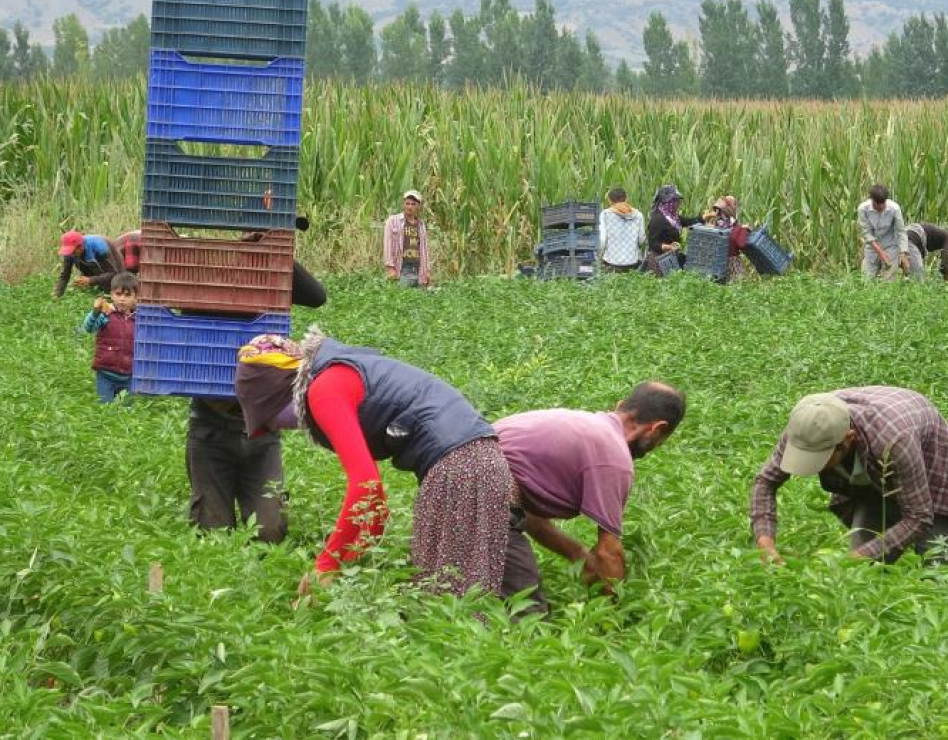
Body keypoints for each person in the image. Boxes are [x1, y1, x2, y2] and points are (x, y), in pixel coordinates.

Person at [234, 330, 512, 598]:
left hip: (460, 466)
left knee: (446, 596)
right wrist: (354, 560)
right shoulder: (337, 372)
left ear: (280, 396)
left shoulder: (325, 389)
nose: (281, 428)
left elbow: (365, 487)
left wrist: (326, 567)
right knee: (452, 584)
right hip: (479, 458)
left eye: (269, 420)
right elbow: (375, 505)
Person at [495, 382, 686, 611]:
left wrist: (580, 555)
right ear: (656, 429)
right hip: (480, 488)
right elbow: (608, 552)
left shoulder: (584, 425)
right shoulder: (614, 458)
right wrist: (613, 615)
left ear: (621, 406)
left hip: (453, 471)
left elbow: (524, 514)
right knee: (528, 614)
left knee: (460, 590)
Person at [185, 259, 326, 545]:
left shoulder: (270, 276)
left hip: (262, 435)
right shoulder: (204, 275)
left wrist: (275, 250)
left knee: (270, 531)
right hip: (210, 427)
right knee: (213, 533)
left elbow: (316, 296)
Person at [751, 388, 948, 564]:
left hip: (937, 468)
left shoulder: (893, 440)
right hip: (875, 473)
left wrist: (855, 560)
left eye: (821, 457)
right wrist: (765, 542)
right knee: (864, 565)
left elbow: (918, 517)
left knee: (939, 562)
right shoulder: (807, 428)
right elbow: (765, 482)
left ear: (847, 440)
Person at [81, 271, 138, 403]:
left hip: (129, 374)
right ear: (111, 294)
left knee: (127, 411)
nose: (122, 299)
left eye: (127, 295)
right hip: (106, 372)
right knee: (104, 408)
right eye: (118, 294)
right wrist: (95, 313)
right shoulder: (106, 313)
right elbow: (89, 327)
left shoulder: (138, 319)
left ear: (136, 298)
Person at [644, 184, 702, 276]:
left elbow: (687, 221)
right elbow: (652, 243)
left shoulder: (672, 217)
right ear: (665, 201)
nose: (677, 203)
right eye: (674, 201)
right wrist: (669, 247)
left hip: (671, 257)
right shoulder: (657, 219)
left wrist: (703, 218)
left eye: (677, 200)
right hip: (659, 261)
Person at [857, 185, 910, 281]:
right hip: (872, 247)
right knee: (866, 280)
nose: (881, 206)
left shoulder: (894, 209)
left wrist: (903, 253)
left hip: (890, 246)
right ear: (872, 200)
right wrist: (880, 252)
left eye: (883, 203)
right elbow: (867, 233)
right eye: (877, 204)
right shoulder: (863, 209)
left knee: (889, 282)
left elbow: (901, 232)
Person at [53, 230, 124, 298]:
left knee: (118, 288)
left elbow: (112, 273)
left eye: (73, 252)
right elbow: (65, 275)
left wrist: (91, 280)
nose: (72, 255)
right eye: (69, 252)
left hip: (112, 266)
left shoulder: (99, 247)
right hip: (92, 266)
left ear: (80, 247)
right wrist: (57, 294)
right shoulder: (70, 253)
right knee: (92, 292)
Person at [383, 190, 431, 287]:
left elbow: (424, 250)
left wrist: (426, 271)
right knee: (402, 298)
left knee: (418, 300)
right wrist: (390, 267)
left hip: (418, 269)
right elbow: (388, 244)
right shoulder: (393, 221)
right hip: (402, 268)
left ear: (418, 206)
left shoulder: (421, 225)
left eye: (413, 204)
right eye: (407, 203)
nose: (410, 207)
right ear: (403, 204)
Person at [703, 195, 752, 282]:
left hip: (718, 259)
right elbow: (738, 242)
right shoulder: (728, 223)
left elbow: (705, 222)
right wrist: (743, 229)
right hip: (730, 259)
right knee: (739, 282)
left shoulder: (719, 222)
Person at [597, 187, 646, 273]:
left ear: (610, 200)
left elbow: (602, 240)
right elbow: (642, 239)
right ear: (626, 199)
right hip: (633, 263)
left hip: (611, 263)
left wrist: (599, 257)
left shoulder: (605, 214)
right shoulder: (638, 215)